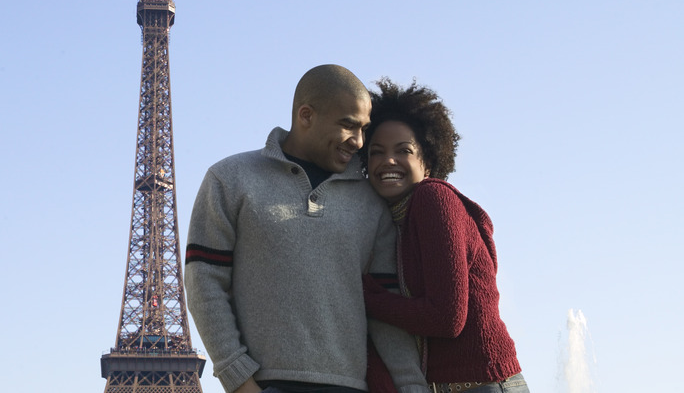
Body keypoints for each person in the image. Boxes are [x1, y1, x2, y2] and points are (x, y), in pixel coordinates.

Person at [184, 65, 429, 393]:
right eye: (347, 125)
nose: (358, 142)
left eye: (363, 129)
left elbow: (385, 309)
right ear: (306, 115)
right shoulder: (229, 179)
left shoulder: (372, 202)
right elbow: (204, 284)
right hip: (265, 384)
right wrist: (239, 380)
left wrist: (414, 387)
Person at [360, 78, 530, 393]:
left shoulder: (432, 199)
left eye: (404, 151)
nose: (388, 161)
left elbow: (446, 317)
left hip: (484, 384)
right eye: (376, 152)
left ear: (427, 161)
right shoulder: (398, 219)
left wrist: (364, 298)